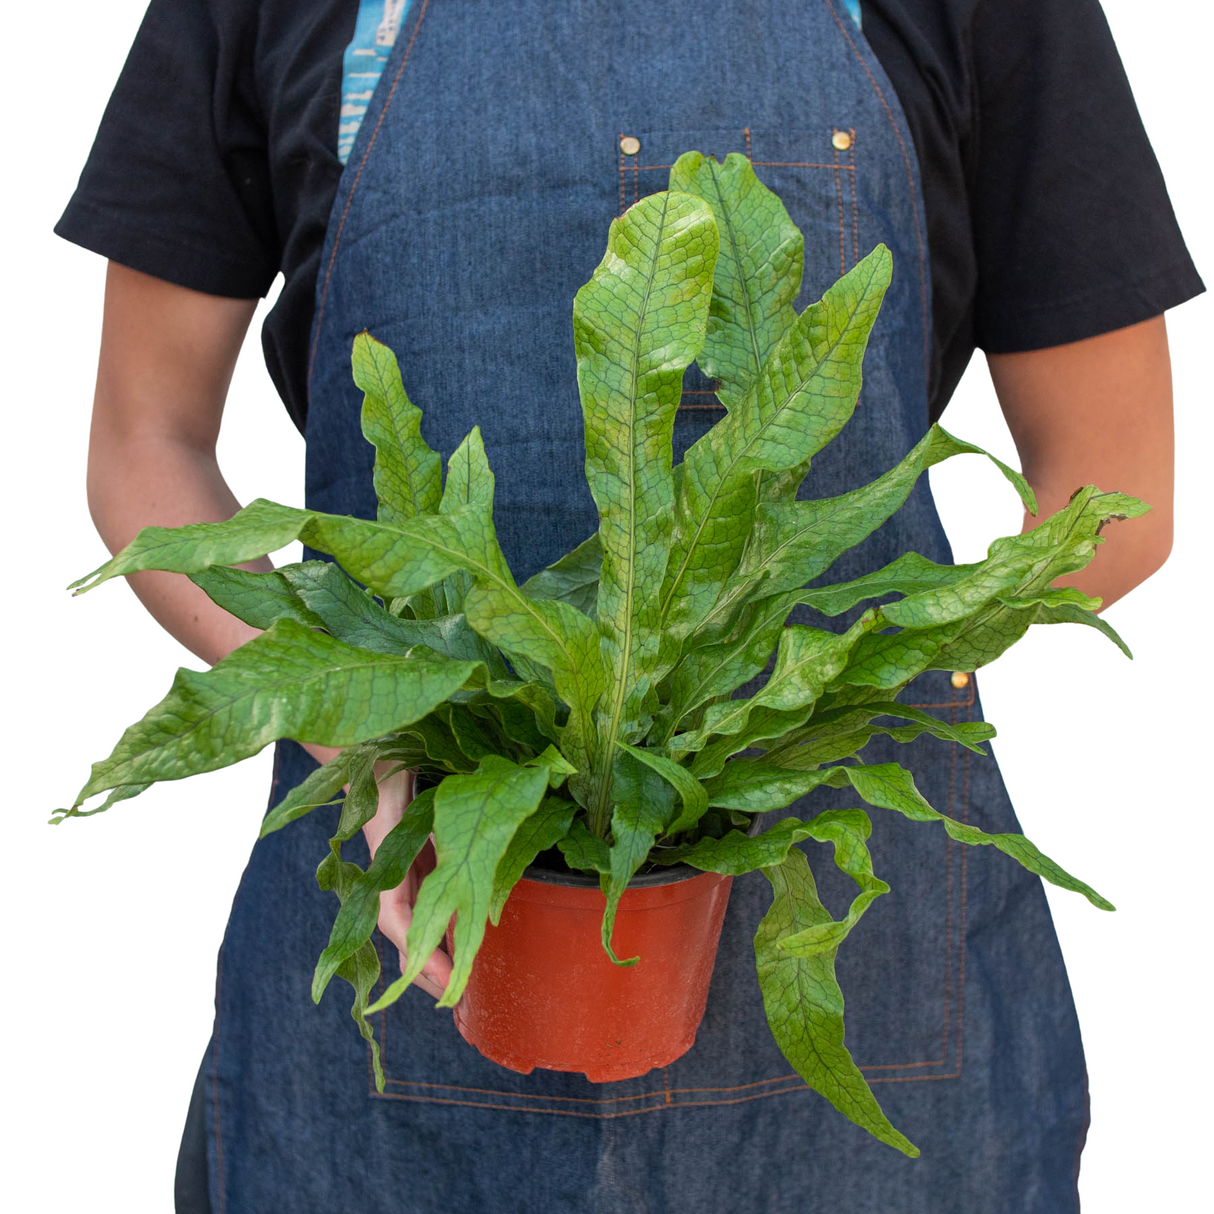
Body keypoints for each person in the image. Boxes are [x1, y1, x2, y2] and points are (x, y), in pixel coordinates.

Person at [56, 1, 1202, 1210]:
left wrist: (831, 684)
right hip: (408, 922)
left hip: (844, 928)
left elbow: (1111, 488)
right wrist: (365, 718)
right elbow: (146, 441)